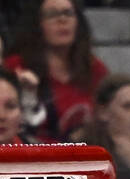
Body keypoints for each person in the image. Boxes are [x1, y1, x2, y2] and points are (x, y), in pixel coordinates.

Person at [4, 0, 107, 141]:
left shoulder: (95, 68)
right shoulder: (16, 66)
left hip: (84, 155)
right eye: (52, 15)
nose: (62, 20)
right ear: (38, 24)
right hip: (33, 154)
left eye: (68, 13)